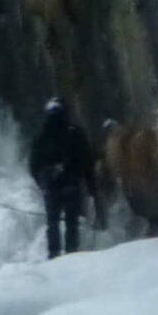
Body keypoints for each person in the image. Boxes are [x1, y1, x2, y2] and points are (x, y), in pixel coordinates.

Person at [27, 97, 97, 259]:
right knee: (71, 222)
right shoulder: (74, 133)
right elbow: (87, 161)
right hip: (70, 185)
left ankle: (54, 254)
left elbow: (34, 165)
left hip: (52, 187)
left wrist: (42, 182)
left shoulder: (41, 137)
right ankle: (71, 253)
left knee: (53, 223)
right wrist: (92, 187)